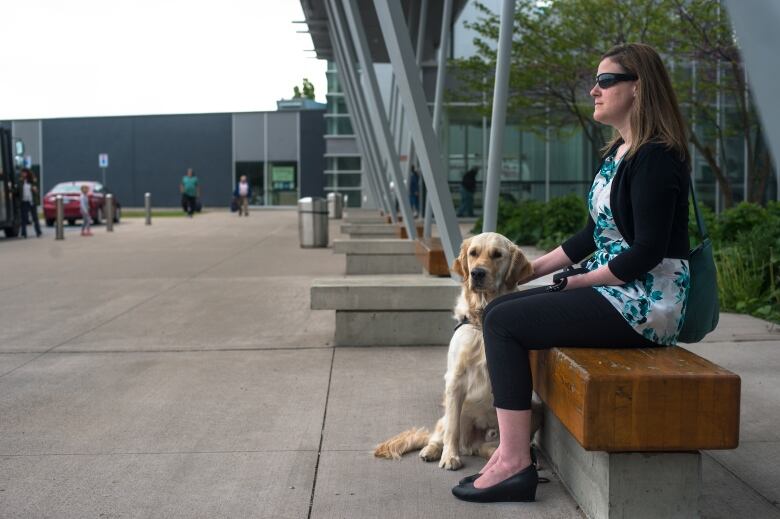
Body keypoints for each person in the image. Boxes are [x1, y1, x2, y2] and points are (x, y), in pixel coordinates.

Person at [451, 43, 691, 503]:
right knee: (503, 307)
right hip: (617, 290)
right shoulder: (620, 151)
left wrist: (576, 281)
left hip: (646, 302)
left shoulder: (657, 157)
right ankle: (511, 454)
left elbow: (646, 252)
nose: (593, 91)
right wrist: (527, 273)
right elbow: (590, 236)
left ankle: (513, 460)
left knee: (503, 321)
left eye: (605, 81)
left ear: (637, 89)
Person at [17, 168, 42, 238]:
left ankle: (38, 232)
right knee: (24, 218)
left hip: (31, 201)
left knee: (35, 218)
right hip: (24, 201)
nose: (23, 174)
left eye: (24, 173)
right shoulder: (20, 181)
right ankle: (23, 233)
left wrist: (35, 189)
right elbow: (17, 191)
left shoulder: (32, 181)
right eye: (22, 173)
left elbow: (37, 190)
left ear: (27, 173)